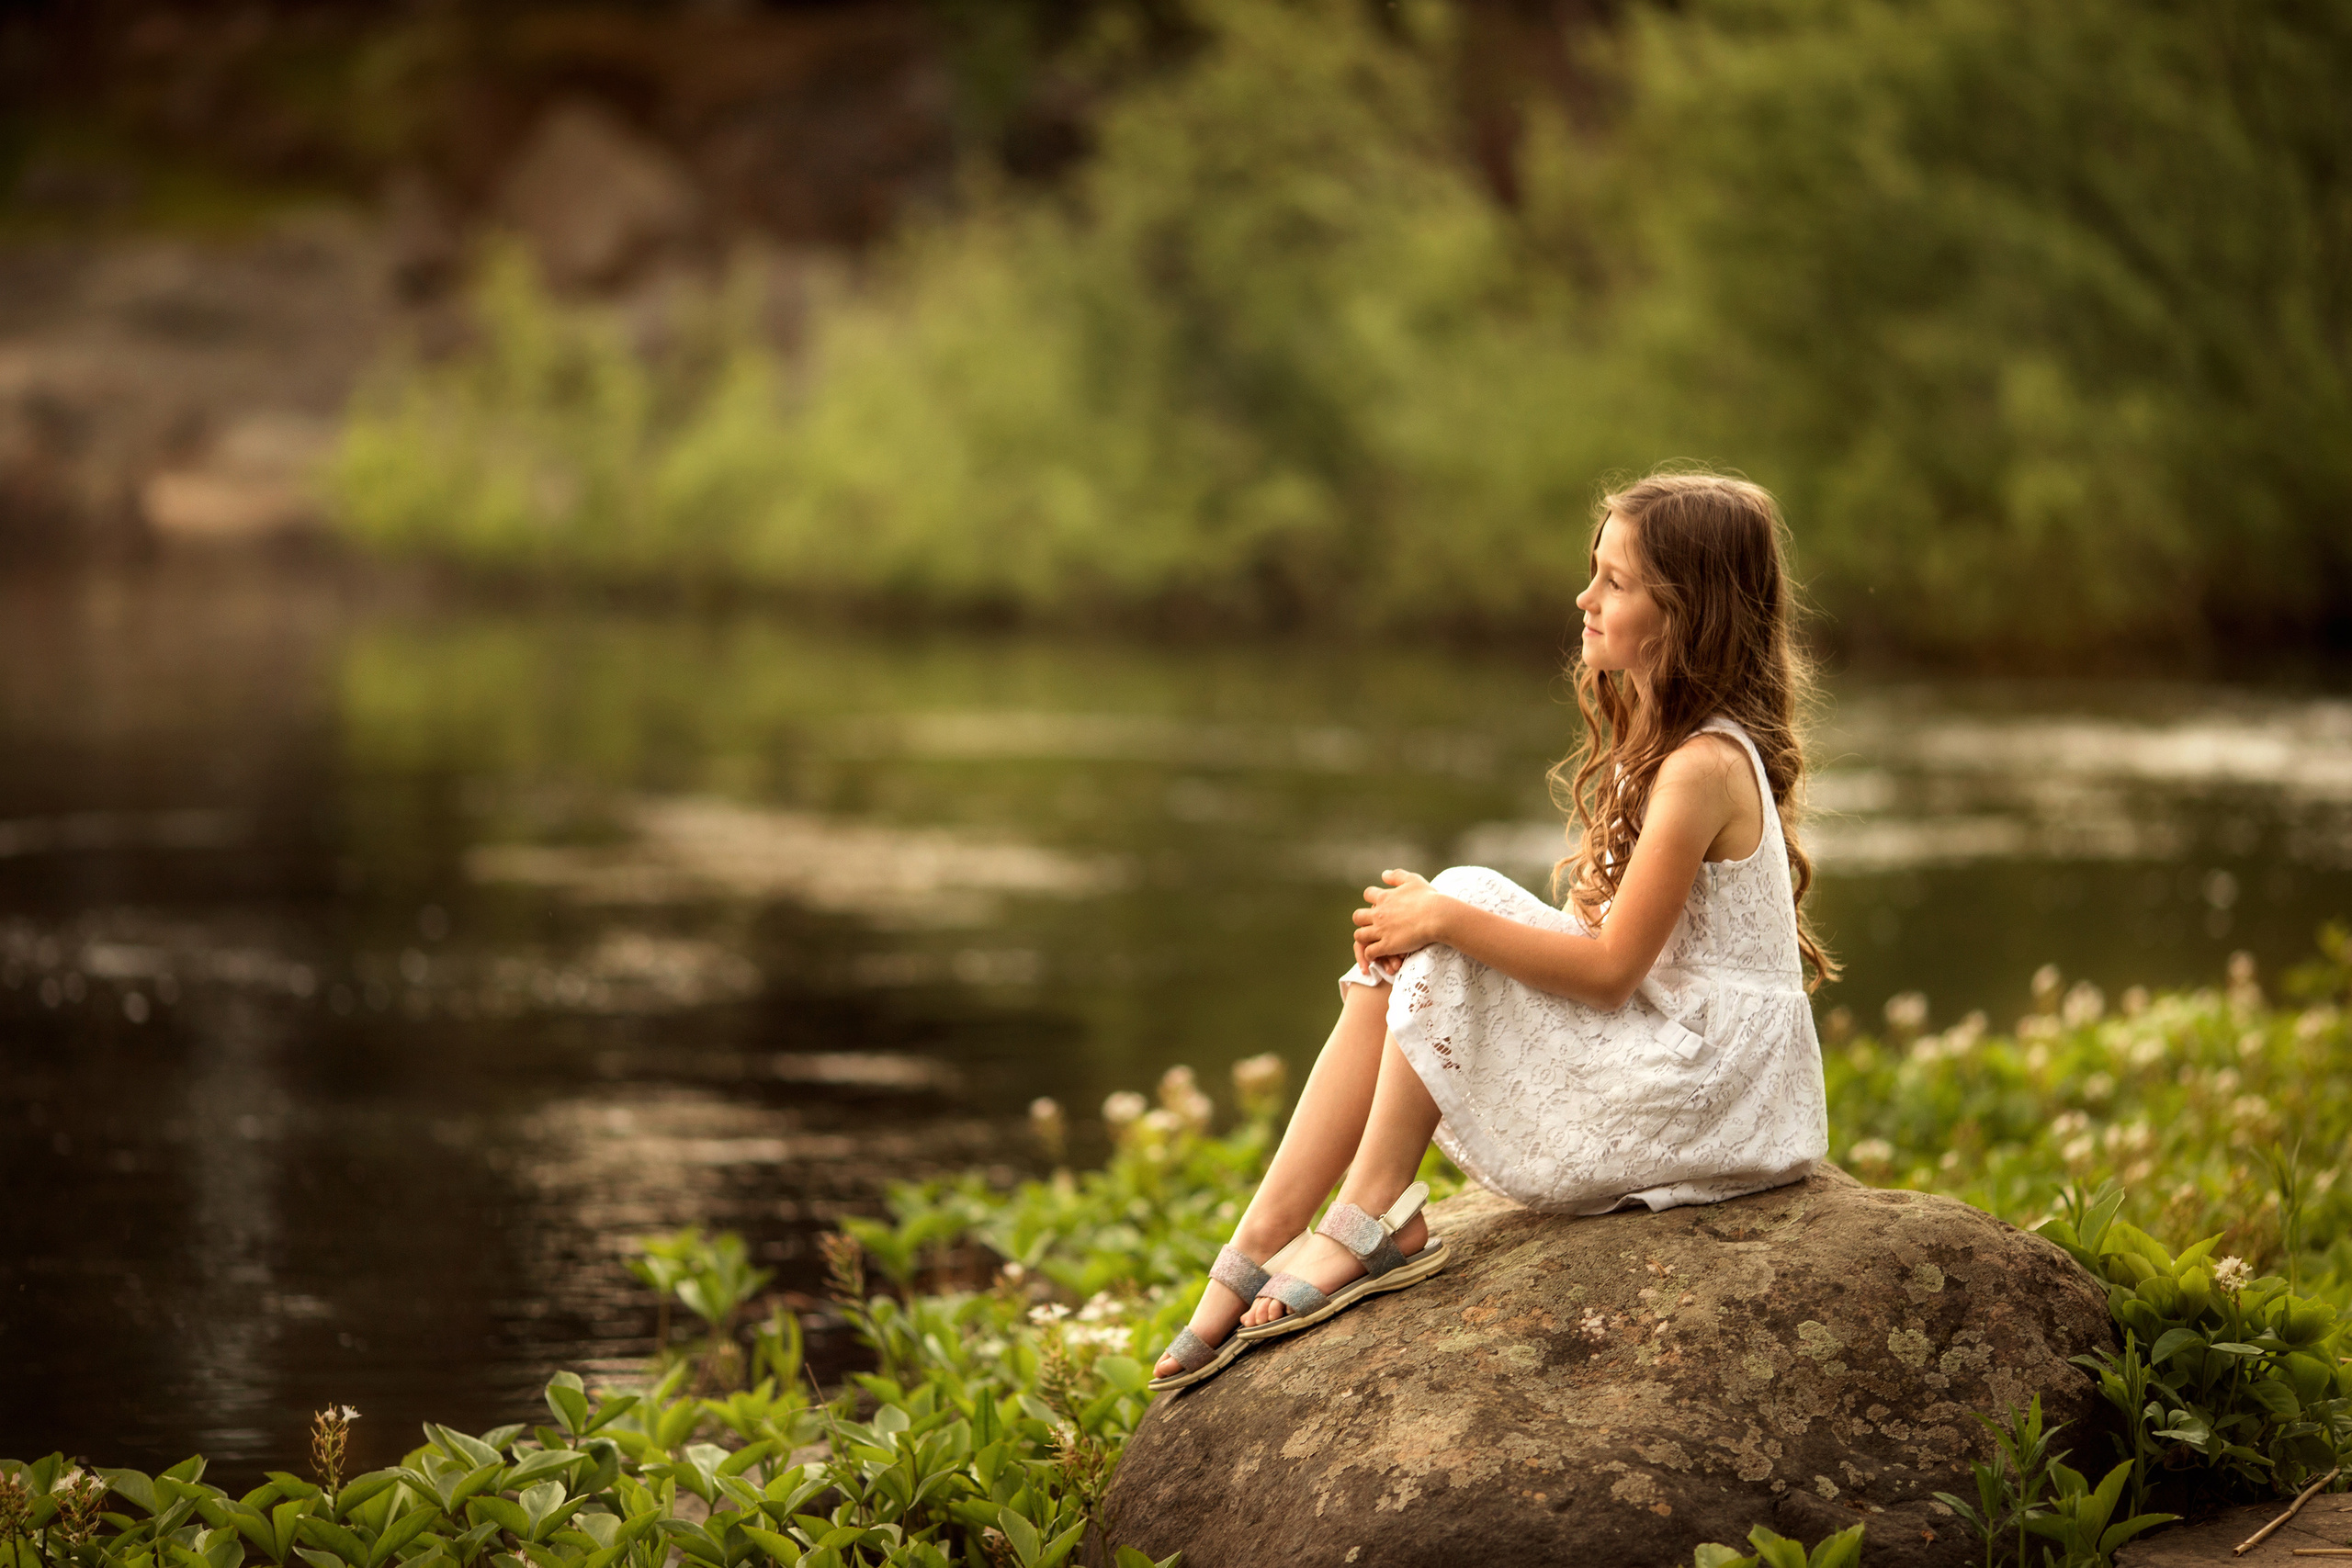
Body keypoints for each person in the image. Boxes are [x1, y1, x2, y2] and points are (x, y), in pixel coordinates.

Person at [1149, 468, 1838, 1391]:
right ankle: (1265, 1233)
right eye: (1592, 573)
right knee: (1430, 934)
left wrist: (1444, 918)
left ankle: (1369, 1210)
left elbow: (1607, 973)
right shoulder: (1667, 745)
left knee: (1453, 907)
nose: (1583, 599)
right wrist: (1437, 929)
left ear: (1686, 613)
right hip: (1683, 1060)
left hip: (1716, 1092)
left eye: (1615, 583)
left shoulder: (1703, 766)